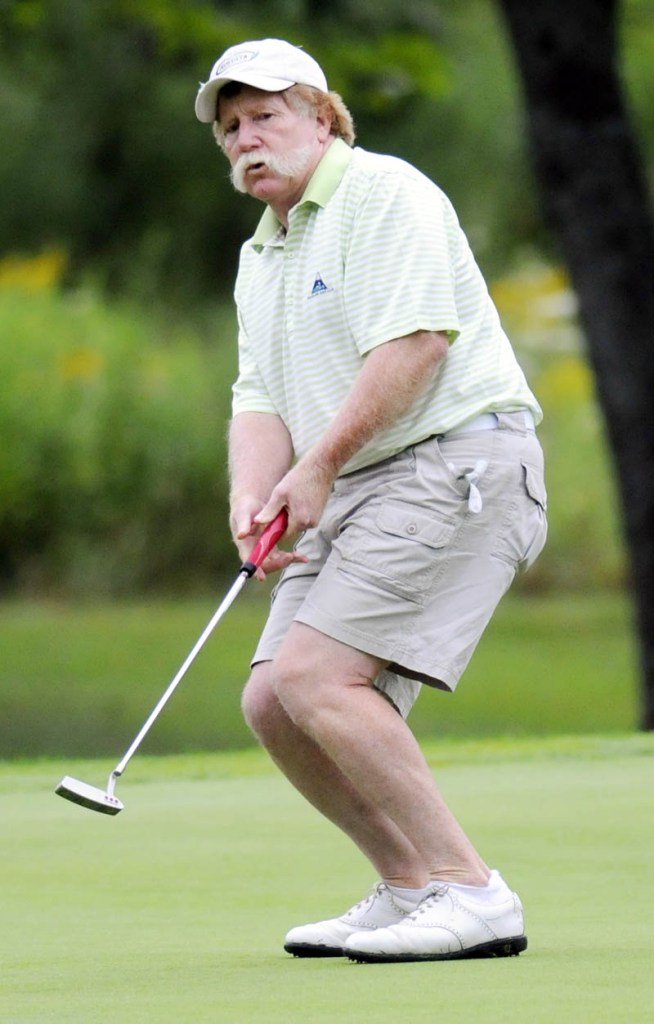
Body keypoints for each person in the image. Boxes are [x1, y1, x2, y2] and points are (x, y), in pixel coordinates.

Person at [195, 38, 547, 964]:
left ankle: (472, 893)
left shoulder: (383, 193)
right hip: (364, 480)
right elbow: (258, 396)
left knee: (318, 677)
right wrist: (254, 490)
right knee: (273, 700)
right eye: (229, 128)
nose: (246, 140)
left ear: (322, 114)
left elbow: (419, 343)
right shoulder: (262, 253)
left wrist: (314, 471)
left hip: (455, 463)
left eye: (266, 115)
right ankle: (410, 886)